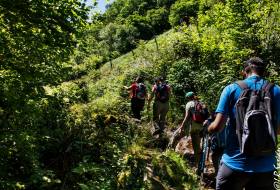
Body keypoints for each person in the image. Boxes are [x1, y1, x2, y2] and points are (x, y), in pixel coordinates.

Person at [207, 57, 280, 190]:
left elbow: (217, 126)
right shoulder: (276, 91)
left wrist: (208, 128)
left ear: (244, 72)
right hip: (267, 168)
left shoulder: (231, 89)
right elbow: (279, 130)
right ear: (264, 72)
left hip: (234, 164)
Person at [177, 91, 209, 166]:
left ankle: (169, 149)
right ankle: (200, 164)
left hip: (192, 127)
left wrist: (182, 126)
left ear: (188, 98)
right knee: (197, 147)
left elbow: (187, 116)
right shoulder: (201, 103)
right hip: (201, 127)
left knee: (177, 136)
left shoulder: (189, 104)